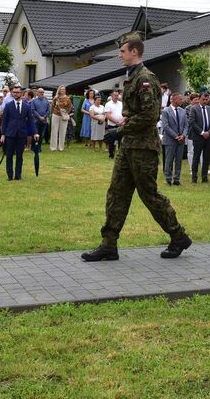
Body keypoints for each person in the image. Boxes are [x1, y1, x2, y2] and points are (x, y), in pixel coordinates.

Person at [82, 33, 192, 262]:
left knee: (149, 195)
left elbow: (150, 116)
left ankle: (178, 235)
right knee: (117, 193)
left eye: (122, 51)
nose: (119, 55)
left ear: (134, 51)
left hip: (143, 148)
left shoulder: (145, 78)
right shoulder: (131, 76)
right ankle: (109, 244)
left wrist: (120, 130)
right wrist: (123, 128)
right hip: (129, 146)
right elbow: (136, 113)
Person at [0, 85, 40, 181]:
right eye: (14, 92)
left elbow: (31, 121)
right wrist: (3, 134)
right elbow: (4, 121)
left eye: (17, 92)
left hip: (21, 134)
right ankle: (10, 175)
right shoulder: (8, 106)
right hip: (10, 134)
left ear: (21, 93)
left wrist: (35, 133)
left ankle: (18, 175)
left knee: (19, 156)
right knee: (9, 155)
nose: (15, 94)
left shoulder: (26, 106)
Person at [160, 92, 188, 185]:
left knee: (179, 160)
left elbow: (186, 125)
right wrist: (175, 136)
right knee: (169, 160)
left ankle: (177, 179)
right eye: (180, 99)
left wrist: (183, 135)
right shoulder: (166, 111)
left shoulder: (182, 111)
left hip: (181, 140)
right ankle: (168, 178)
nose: (182, 101)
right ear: (174, 100)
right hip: (170, 140)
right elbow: (165, 126)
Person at [187, 91, 210, 183]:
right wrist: (202, 132)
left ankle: (204, 177)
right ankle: (194, 177)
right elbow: (192, 122)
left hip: (208, 137)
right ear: (199, 99)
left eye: (206, 99)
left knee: (206, 158)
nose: (205, 101)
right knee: (196, 157)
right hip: (198, 137)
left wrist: (209, 132)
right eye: (203, 99)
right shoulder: (194, 109)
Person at [49, 86, 72, 151]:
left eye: (63, 89)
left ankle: (61, 148)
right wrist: (52, 112)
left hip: (63, 116)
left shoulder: (67, 98)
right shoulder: (56, 98)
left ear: (65, 90)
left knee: (63, 131)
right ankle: (53, 148)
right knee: (54, 131)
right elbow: (52, 106)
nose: (62, 90)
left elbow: (69, 107)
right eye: (61, 89)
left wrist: (65, 113)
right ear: (59, 90)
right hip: (55, 115)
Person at [104, 90, 124, 158]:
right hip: (112, 125)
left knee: (121, 140)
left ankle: (121, 155)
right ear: (111, 96)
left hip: (121, 124)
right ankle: (111, 154)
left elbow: (124, 113)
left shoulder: (121, 104)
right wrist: (116, 122)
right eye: (115, 95)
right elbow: (108, 115)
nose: (116, 97)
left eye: (117, 95)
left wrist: (121, 122)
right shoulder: (108, 104)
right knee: (111, 141)